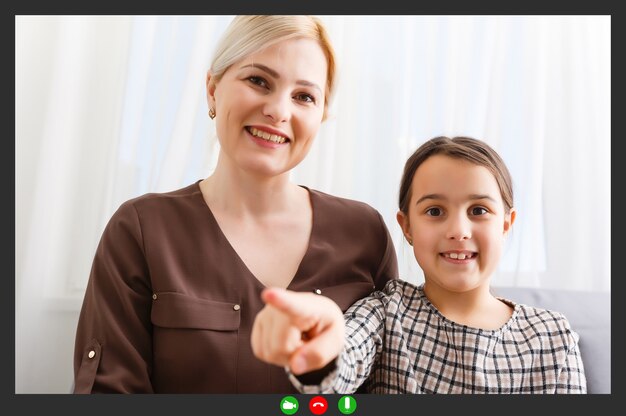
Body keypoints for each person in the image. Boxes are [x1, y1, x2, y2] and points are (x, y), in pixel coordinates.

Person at [72, 15, 398, 394]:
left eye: (304, 96)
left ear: (322, 115)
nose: (279, 110)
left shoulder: (365, 232)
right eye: (258, 81)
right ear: (212, 89)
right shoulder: (141, 229)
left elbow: (391, 382)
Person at [251, 136, 587, 394]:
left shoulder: (552, 335)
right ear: (407, 226)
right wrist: (322, 346)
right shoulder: (386, 312)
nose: (458, 231)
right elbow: (343, 361)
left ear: (506, 224)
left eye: (479, 211)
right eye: (435, 211)